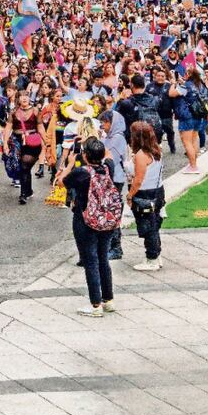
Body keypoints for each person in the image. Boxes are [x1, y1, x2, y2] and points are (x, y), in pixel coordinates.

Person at [57, 137, 118, 317]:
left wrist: (69, 162)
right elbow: (109, 154)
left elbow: (61, 182)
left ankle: (95, 304)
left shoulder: (81, 172)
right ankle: (108, 300)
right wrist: (95, 142)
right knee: (103, 259)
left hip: (85, 220)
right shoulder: (108, 167)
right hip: (106, 219)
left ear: (84, 155)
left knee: (91, 261)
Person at [126, 121, 166, 272]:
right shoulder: (156, 150)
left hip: (144, 193)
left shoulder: (142, 155)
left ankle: (152, 258)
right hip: (158, 190)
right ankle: (156, 254)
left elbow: (138, 180)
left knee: (148, 227)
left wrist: (130, 196)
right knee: (154, 225)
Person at [168, 67, 208, 174]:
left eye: (186, 73)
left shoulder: (186, 86)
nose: (184, 74)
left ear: (189, 74)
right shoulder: (200, 85)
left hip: (187, 116)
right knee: (194, 141)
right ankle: (194, 164)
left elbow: (171, 93)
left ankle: (193, 166)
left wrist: (173, 82)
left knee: (187, 142)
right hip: (198, 115)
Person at [99, 110, 128, 260]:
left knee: (112, 212)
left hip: (115, 178)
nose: (102, 125)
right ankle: (110, 245)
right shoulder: (108, 137)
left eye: (105, 122)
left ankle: (116, 247)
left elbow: (111, 159)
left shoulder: (118, 138)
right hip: (109, 177)